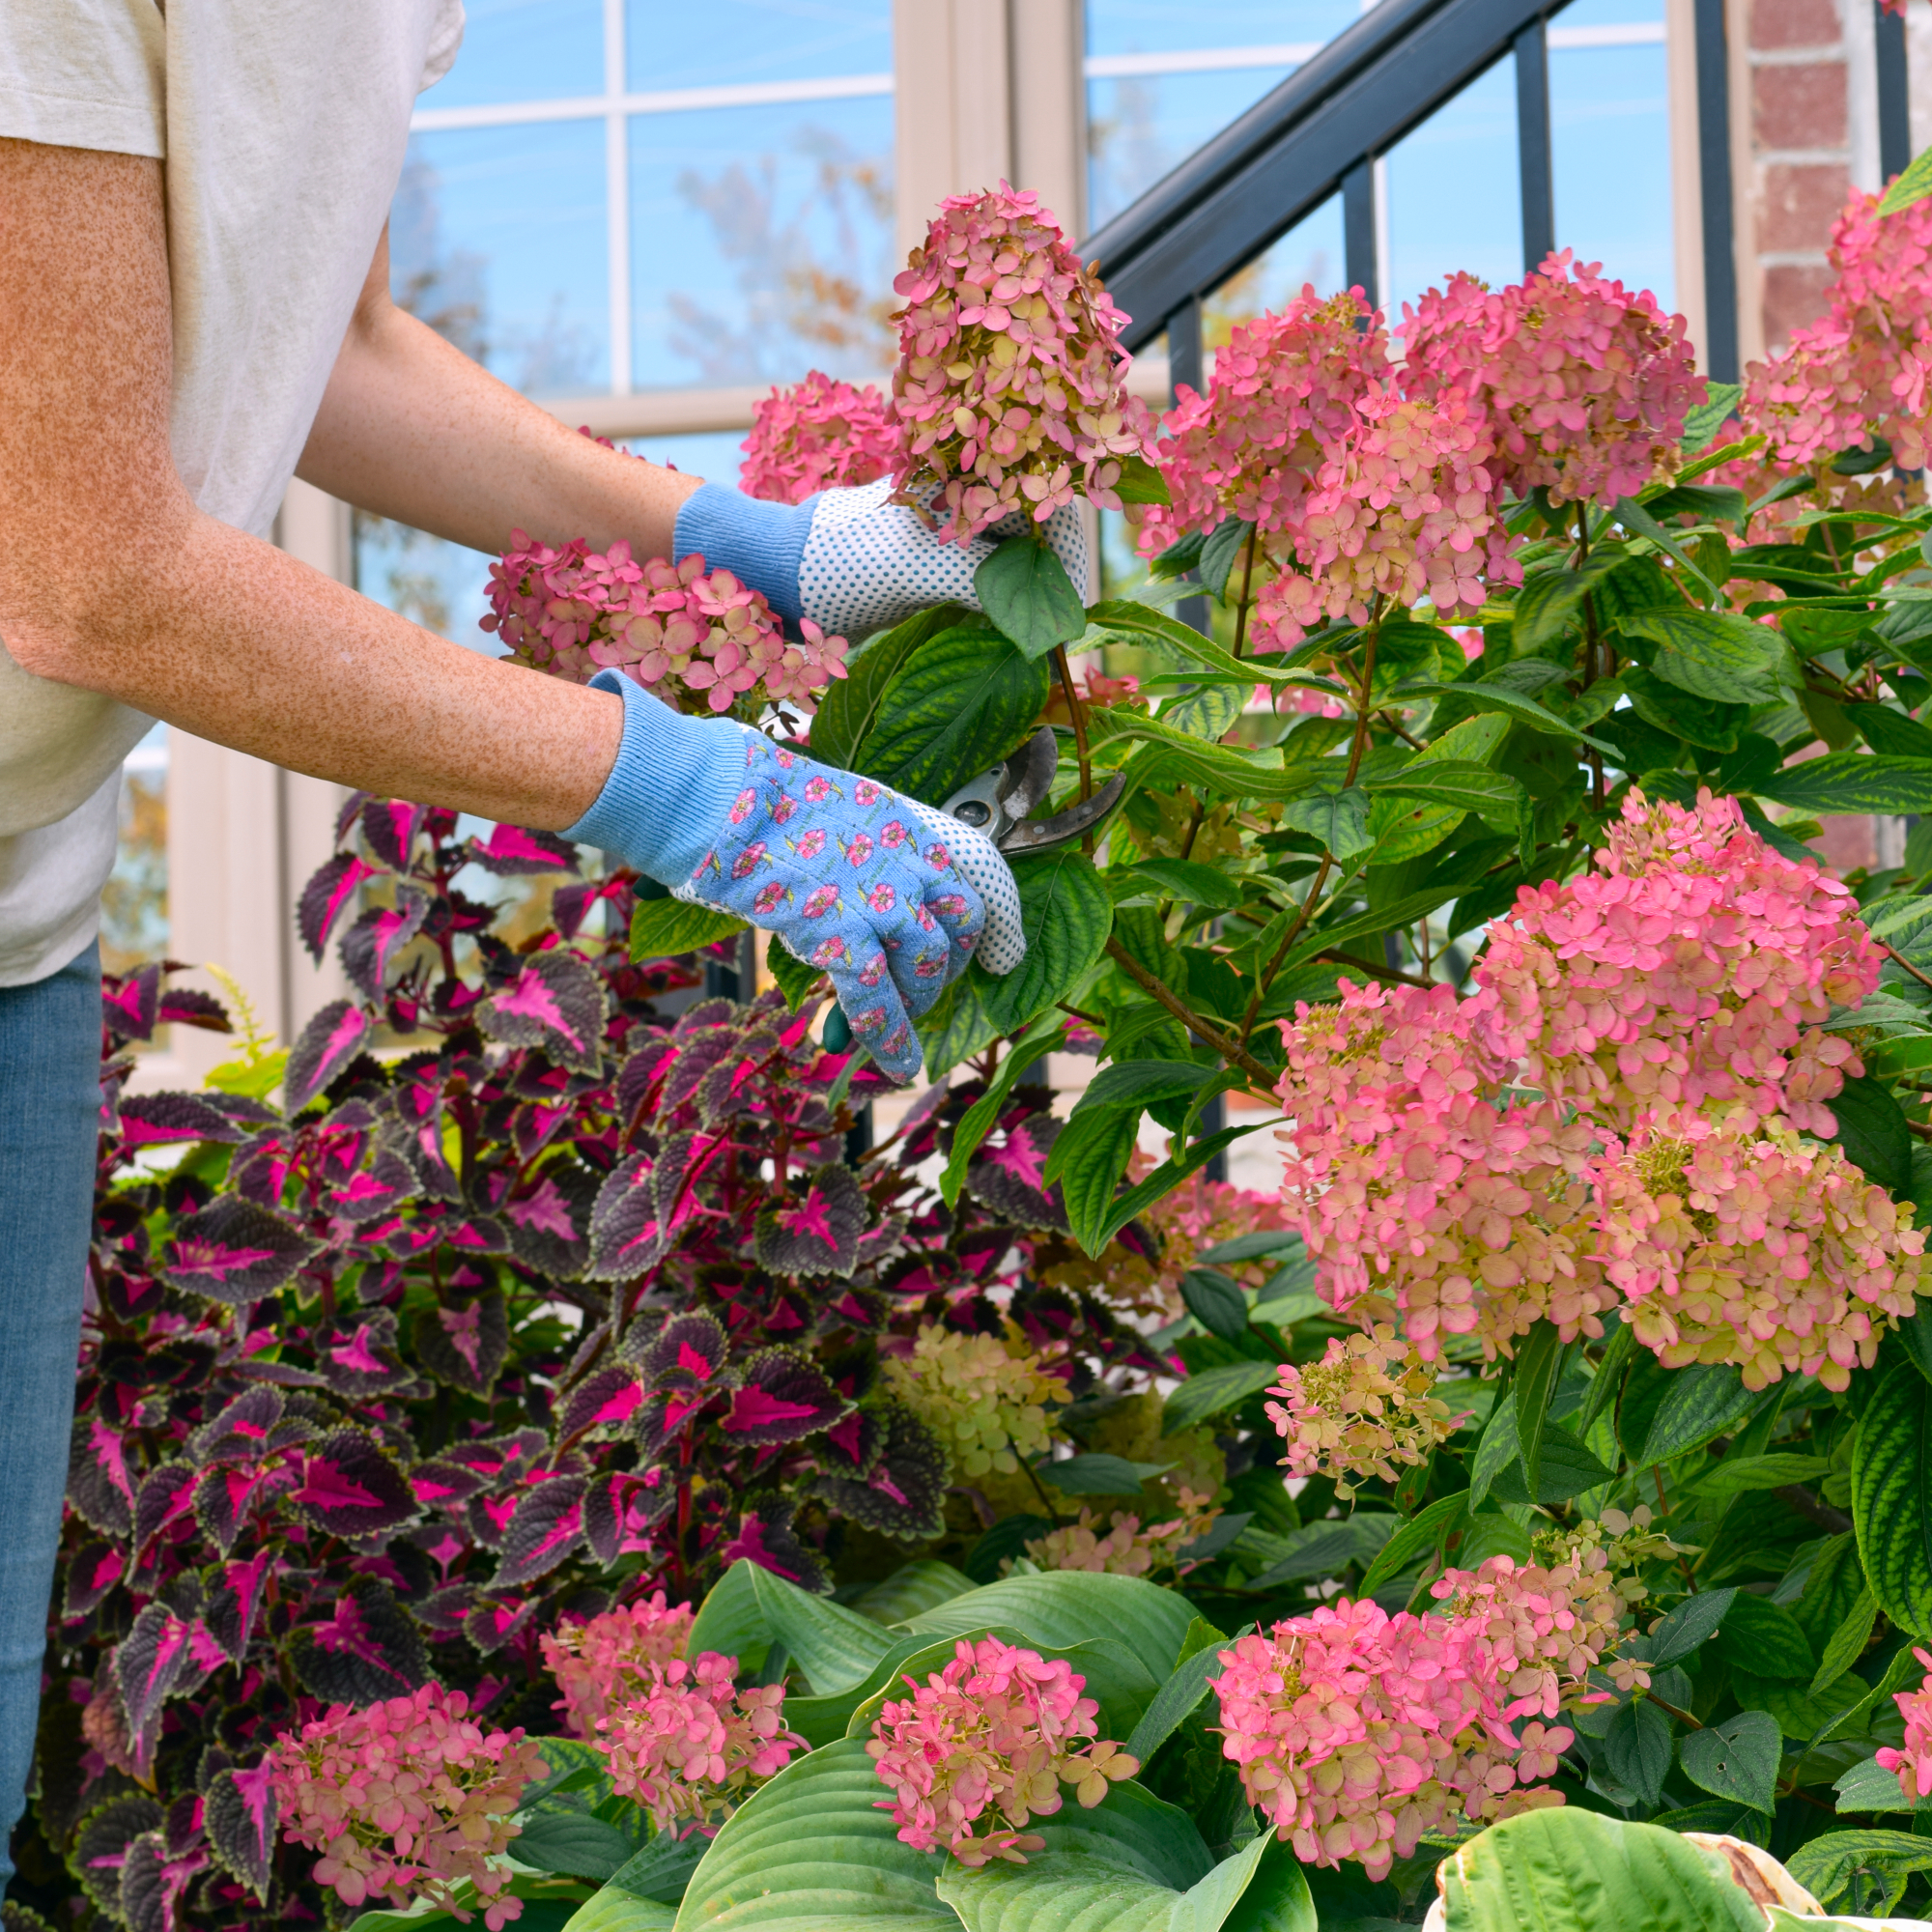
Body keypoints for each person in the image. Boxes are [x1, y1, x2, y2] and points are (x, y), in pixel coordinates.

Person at [0, 2, 1079, 1890]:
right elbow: (84, 567)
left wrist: (761, 545)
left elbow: (331, 344)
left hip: (22, 907)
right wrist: (693, 791)